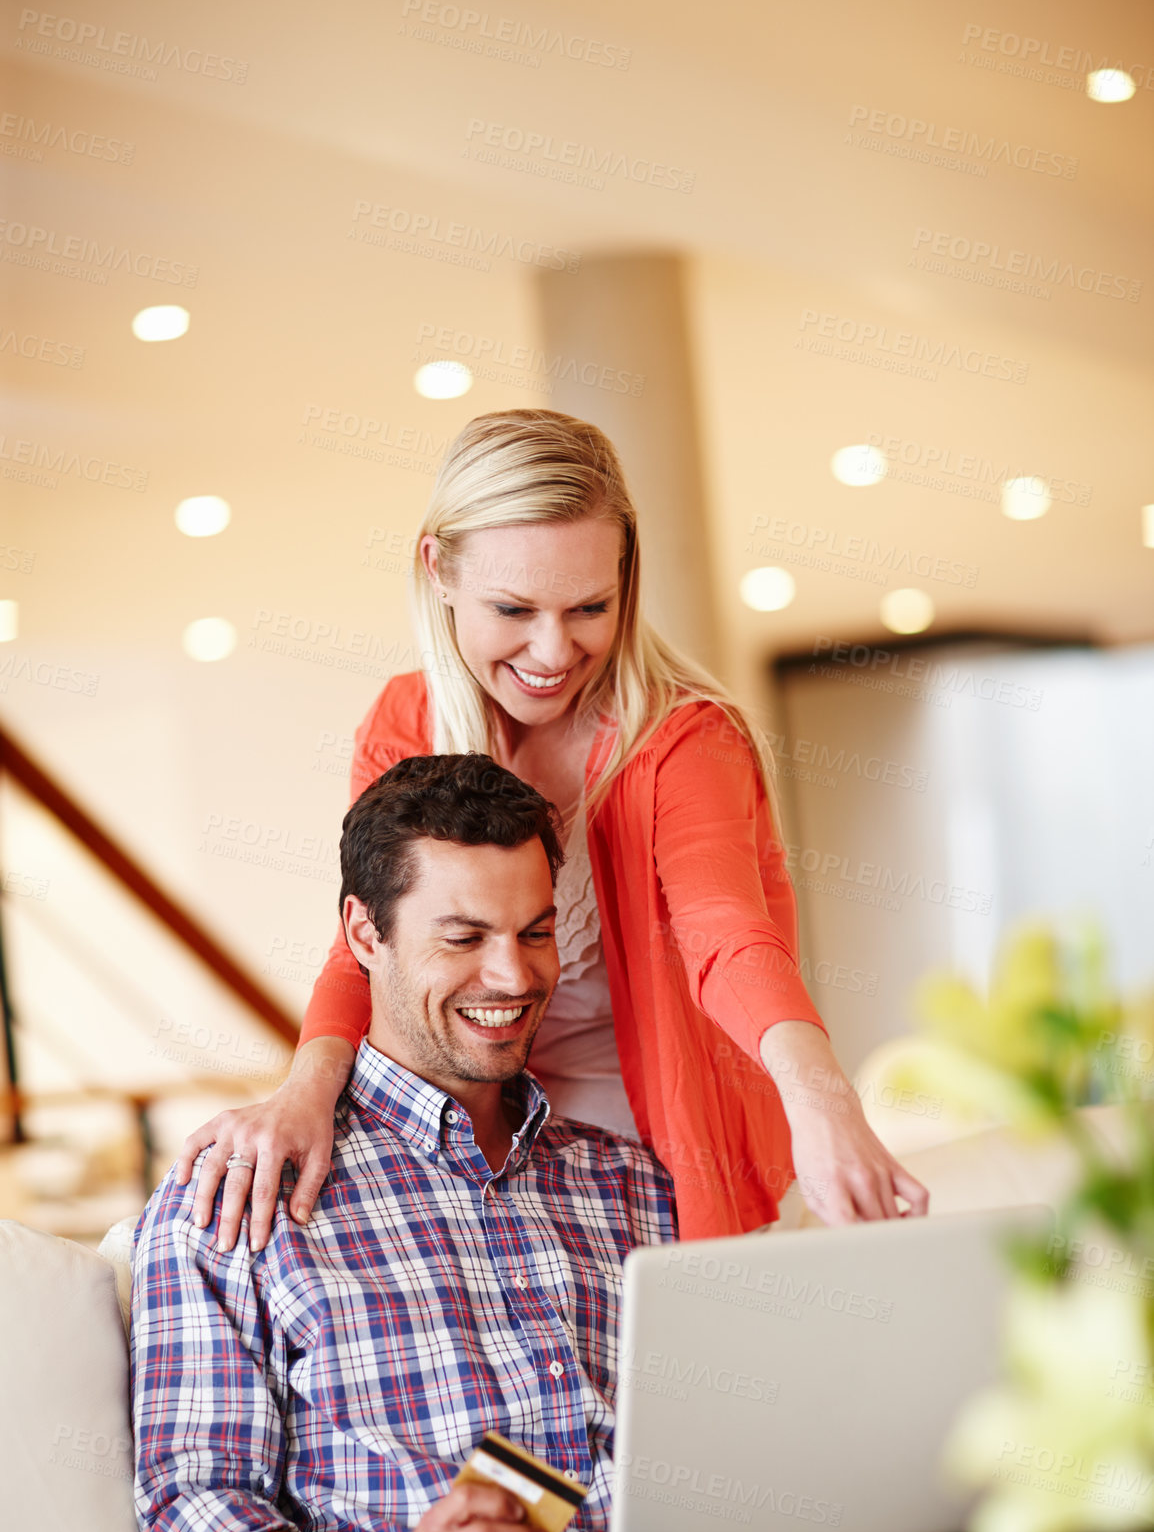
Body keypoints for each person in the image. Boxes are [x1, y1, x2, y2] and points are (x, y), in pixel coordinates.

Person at [134, 755, 1154, 1532]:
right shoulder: (242, 1197)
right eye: (462, 937)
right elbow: (190, 1526)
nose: (510, 974)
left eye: (534, 933)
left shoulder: (631, 1182)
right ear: (363, 933)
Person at [177, 408, 927, 1251]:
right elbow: (367, 942)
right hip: (485, 1139)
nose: (553, 649)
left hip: (660, 1145)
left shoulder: (684, 738)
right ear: (439, 570)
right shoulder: (405, 719)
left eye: (588, 607)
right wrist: (305, 1090)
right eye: (513, 607)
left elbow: (728, 938)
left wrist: (822, 1104)